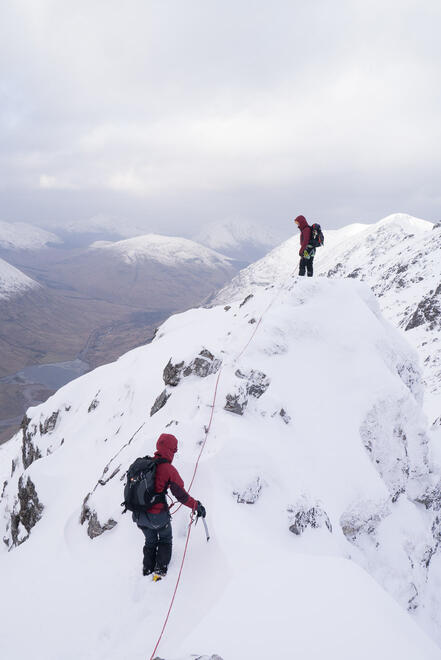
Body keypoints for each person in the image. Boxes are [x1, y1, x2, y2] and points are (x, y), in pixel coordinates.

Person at [132, 432, 206, 579]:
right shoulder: (168, 469)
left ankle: (147, 570)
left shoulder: (146, 464)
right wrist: (196, 506)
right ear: (171, 450)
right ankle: (159, 572)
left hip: (139, 515)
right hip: (158, 517)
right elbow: (181, 496)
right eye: (174, 450)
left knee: (150, 540)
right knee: (165, 539)